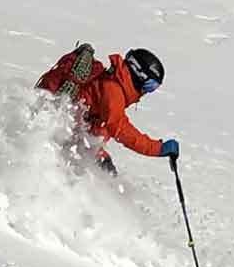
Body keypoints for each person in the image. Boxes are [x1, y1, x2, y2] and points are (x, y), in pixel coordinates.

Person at [35, 44, 180, 173]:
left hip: (68, 133)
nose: (148, 92)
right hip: (56, 133)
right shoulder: (113, 91)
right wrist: (158, 149)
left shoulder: (112, 84)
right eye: (150, 86)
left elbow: (93, 125)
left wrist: (99, 155)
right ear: (139, 76)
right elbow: (121, 130)